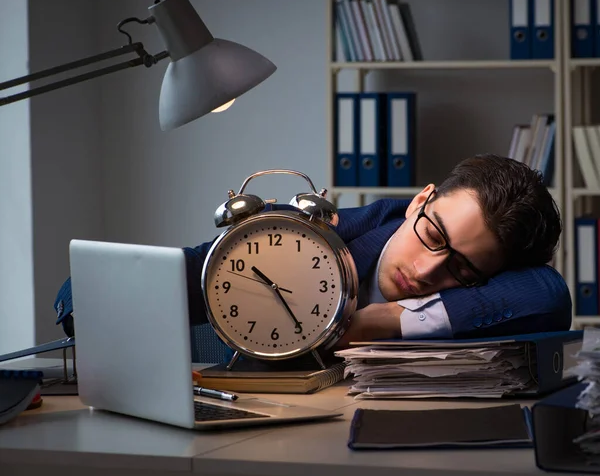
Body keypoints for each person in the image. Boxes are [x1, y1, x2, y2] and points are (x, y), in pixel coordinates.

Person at [53, 154, 572, 347]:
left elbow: (547, 296)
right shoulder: (311, 232)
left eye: (463, 269)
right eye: (433, 237)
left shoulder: (507, 282)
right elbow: (93, 288)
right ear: (421, 200)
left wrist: (377, 320)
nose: (429, 269)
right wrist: (86, 305)